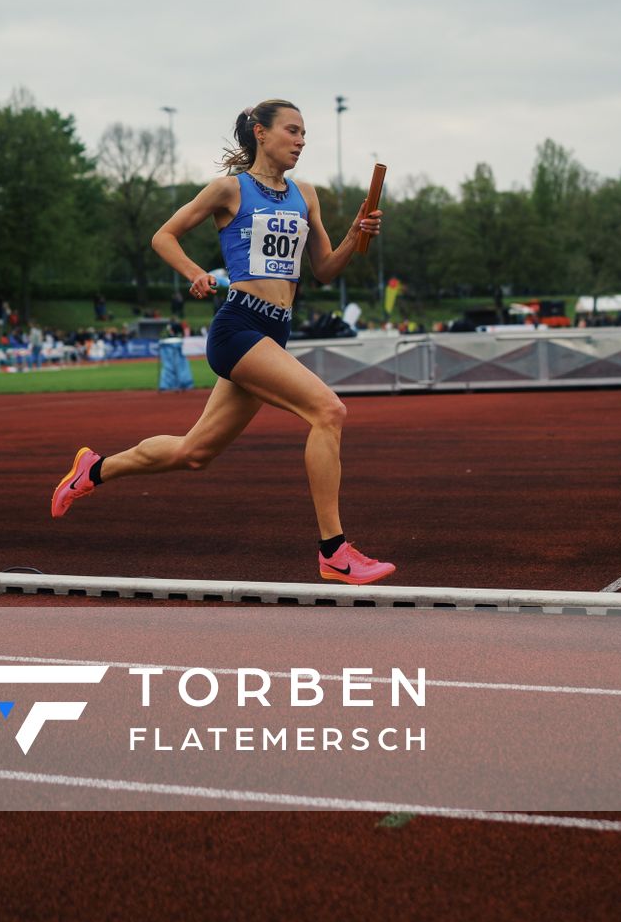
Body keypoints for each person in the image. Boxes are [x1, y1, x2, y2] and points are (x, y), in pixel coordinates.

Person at [51, 98, 393, 583]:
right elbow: (163, 236)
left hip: (275, 331)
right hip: (239, 328)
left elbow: (324, 269)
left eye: (303, 133)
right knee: (328, 411)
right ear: (260, 132)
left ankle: (94, 469)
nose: (301, 141)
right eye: (292, 131)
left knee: (195, 452)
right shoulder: (228, 190)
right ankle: (334, 552)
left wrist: (356, 235)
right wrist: (194, 272)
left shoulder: (307, 195)